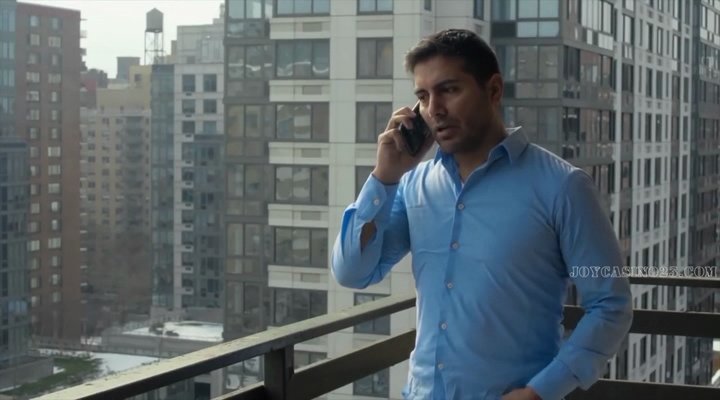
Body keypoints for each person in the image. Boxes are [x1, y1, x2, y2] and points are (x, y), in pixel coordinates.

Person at [331, 29, 633, 400]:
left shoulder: (562, 187)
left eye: (449, 90)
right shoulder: (414, 185)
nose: (434, 109)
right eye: (423, 97)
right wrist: (384, 177)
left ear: (493, 90)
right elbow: (353, 271)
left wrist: (541, 392)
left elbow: (610, 305)